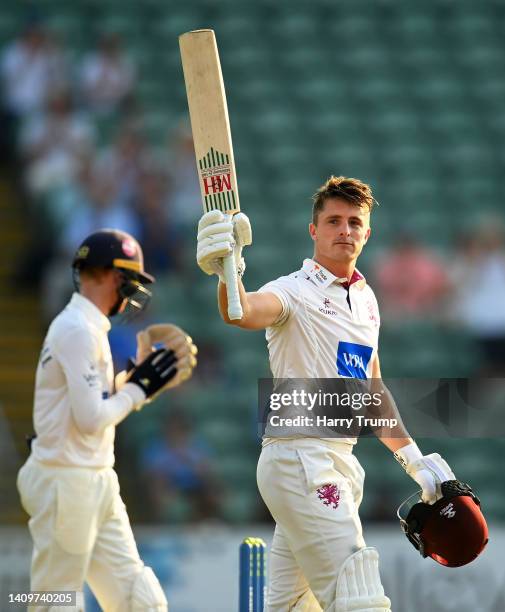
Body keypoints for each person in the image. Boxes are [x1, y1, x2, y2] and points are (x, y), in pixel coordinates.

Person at [196, 176, 457, 611]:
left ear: (367, 233)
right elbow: (240, 311)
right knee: (360, 595)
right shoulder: (294, 289)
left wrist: (415, 459)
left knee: (294, 606)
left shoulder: (368, 300)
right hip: (301, 459)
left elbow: (371, 391)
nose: (345, 230)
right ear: (313, 230)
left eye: (355, 222)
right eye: (333, 221)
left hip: (337, 462)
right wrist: (228, 270)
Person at [17, 228, 197, 612]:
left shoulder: (89, 328)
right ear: (115, 277)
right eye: (131, 281)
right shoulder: (76, 329)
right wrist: (138, 390)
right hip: (66, 479)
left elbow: (90, 402)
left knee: (139, 600)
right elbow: (90, 419)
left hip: (94, 476)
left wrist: (132, 381)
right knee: (56, 601)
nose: (132, 292)